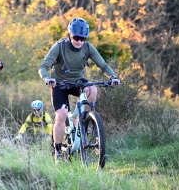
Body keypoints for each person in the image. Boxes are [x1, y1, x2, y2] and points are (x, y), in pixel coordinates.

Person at [38, 17, 120, 162]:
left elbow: (103, 64)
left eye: (82, 38)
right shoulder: (60, 46)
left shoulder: (87, 47)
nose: (79, 41)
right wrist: (47, 78)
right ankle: (57, 151)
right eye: (76, 37)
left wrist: (113, 76)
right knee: (62, 115)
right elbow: (43, 66)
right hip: (59, 84)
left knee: (92, 89)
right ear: (70, 34)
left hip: (77, 82)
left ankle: (85, 121)